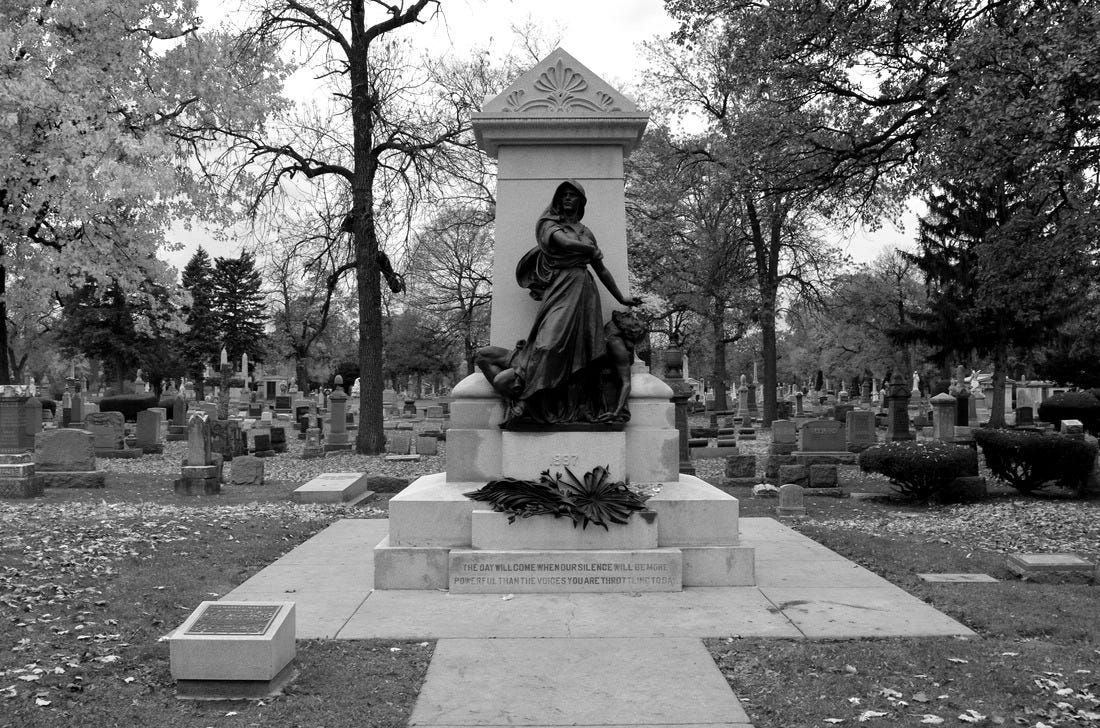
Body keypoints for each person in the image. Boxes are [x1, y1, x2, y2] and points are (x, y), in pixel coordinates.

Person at [478, 180, 640, 424]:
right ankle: (526, 395)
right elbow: (562, 242)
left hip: (584, 290)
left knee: (581, 351)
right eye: (563, 194)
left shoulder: (586, 232)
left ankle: (572, 403)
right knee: (547, 344)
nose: (567, 198)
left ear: (580, 201)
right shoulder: (549, 224)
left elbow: (602, 270)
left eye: (572, 195)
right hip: (560, 287)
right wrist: (589, 249)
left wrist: (621, 297)